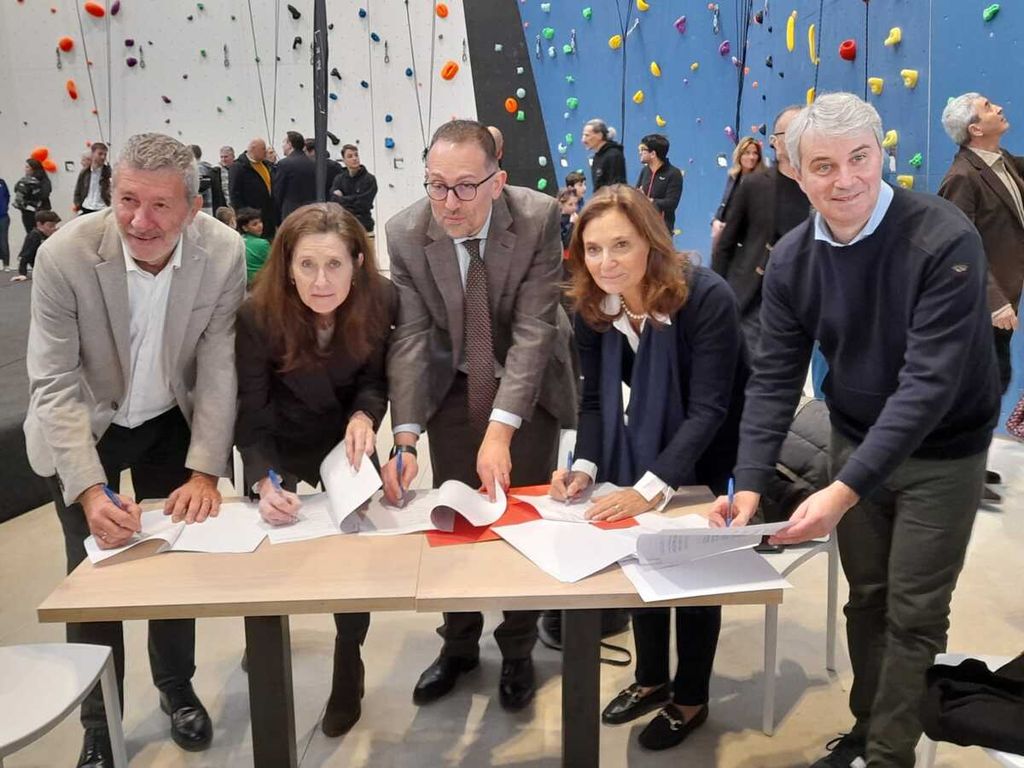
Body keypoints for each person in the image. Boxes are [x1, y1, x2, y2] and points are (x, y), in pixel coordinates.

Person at [708, 93, 1000, 768]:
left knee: (914, 610)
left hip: (945, 448)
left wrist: (841, 492)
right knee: (866, 598)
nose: (845, 180)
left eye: (860, 158)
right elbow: (774, 379)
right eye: (823, 166)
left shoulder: (944, 238)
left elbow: (926, 387)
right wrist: (748, 483)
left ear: (881, 154)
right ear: (795, 172)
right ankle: (868, 731)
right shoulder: (791, 261)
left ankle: (890, 756)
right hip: (855, 431)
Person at [23, 132, 245, 768]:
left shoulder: (222, 252)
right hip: (86, 424)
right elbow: (54, 381)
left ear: (193, 208)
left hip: (168, 418)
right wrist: (90, 490)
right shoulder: (64, 255)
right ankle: (101, 722)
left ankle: (177, 688)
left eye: (159, 206)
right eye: (126, 200)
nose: (139, 222)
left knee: (174, 562)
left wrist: (204, 470)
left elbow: (218, 363)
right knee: (95, 575)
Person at [382, 119, 576, 711]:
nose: (449, 202)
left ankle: (517, 649)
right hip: (453, 383)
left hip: (528, 385)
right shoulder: (405, 231)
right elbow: (411, 337)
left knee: (521, 519)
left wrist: (501, 429)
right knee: (454, 519)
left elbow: (535, 329)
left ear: (497, 181)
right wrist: (405, 438)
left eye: (466, 186)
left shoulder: (537, 217)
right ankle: (459, 644)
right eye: (436, 185)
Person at [550, 184, 747, 751]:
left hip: (716, 445)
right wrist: (586, 466)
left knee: (693, 574)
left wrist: (650, 488)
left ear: (651, 242)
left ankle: (691, 697)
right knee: (643, 558)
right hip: (651, 442)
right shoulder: (594, 305)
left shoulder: (704, 296)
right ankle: (652, 678)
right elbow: (594, 399)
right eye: (593, 249)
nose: (606, 262)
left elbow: (710, 408)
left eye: (621, 245)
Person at [235, 202, 395, 737]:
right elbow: (252, 411)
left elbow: (374, 380)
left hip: (344, 438)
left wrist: (365, 416)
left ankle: (349, 661)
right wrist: (263, 478)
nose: (321, 282)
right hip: (278, 437)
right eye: (306, 265)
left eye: (334, 265)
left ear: (357, 263)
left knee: (354, 556)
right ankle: (263, 636)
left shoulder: (381, 300)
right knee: (267, 548)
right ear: (286, 266)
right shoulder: (256, 315)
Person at [938, 92, 1024, 503]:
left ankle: (967, 465)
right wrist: (994, 301)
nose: (999, 108)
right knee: (974, 390)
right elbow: (957, 248)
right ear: (974, 129)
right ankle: (954, 472)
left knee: (992, 384)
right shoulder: (962, 178)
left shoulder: (1002, 161)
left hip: (1004, 297)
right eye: (989, 107)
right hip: (977, 307)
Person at [712, 106, 810, 351]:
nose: (799, 139)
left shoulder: (819, 188)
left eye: (805, 131)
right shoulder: (755, 184)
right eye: (792, 132)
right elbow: (726, 244)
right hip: (753, 297)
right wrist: (715, 296)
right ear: (774, 141)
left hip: (800, 301)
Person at [711, 136, 766, 246]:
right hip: (728, 236)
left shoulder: (762, 180)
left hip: (749, 240)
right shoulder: (734, 177)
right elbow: (724, 203)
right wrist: (715, 221)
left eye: (755, 153)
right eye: (747, 153)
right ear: (739, 155)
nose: (752, 157)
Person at [634, 133, 684, 234]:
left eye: (643, 149)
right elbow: (637, 193)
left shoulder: (674, 174)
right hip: (641, 226)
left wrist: (649, 201)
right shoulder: (645, 171)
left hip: (661, 229)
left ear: (653, 154)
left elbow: (672, 203)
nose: (640, 152)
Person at [230, 137, 278, 240]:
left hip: (269, 216)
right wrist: (243, 217)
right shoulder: (238, 167)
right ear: (253, 148)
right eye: (263, 149)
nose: (265, 152)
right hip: (252, 218)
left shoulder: (265, 165)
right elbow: (234, 194)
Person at [330, 144, 378, 234]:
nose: (354, 158)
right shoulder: (339, 179)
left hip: (364, 225)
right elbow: (334, 201)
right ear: (344, 160)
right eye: (350, 156)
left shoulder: (369, 179)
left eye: (356, 155)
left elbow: (363, 204)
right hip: (344, 225)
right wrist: (354, 198)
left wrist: (342, 198)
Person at [274, 131, 318, 223]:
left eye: (284, 143)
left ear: (290, 144)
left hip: (291, 210)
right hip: (311, 209)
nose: (282, 146)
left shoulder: (284, 164)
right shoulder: (312, 163)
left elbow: (278, 191)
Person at [11, 209, 60, 282]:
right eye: (50, 226)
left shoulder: (48, 235)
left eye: (54, 226)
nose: (53, 228)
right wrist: (22, 273)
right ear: (39, 224)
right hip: (40, 266)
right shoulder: (34, 236)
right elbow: (25, 256)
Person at [582, 118, 627, 191]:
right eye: (583, 135)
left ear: (600, 135)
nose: (583, 140)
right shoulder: (597, 157)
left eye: (587, 135)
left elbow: (616, 188)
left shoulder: (614, 156)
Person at [13, 158, 52, 234]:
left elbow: (44, 194)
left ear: (34, 169)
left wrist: (32, 193)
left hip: (41, 211)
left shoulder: (43, 180)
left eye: (27, 167)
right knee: (30, 233)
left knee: (42, 233)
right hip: (27, 212)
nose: (25, 169)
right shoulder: (25, 180)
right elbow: (16, 189)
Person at [73, 142, 111, 215]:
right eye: (100, 154)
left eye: (105, 154)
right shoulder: (84, 172)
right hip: (86, 207)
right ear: (92, 154)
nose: (103, 157)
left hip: (103, 208)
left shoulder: (109, 172)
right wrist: (78, 207)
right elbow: (77, 191)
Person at [237, 206, 271, 284]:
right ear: (245, 228)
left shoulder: (239, 241)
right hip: (262, 282)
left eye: (260, 222)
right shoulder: (262, 244)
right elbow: (275, 264)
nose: (260, 226)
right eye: (254, 224)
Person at [189, 144, 226, 215]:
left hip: (202, 207)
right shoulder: (207, 167)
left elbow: (200, 187)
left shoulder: (199, 168)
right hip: (208, 206)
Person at [0, 174, 9, 270]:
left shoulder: (2, 183)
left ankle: (6, 264)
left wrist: (5, 208)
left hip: (3, 216)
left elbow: (7, 196)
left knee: (3, 241)